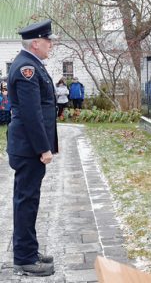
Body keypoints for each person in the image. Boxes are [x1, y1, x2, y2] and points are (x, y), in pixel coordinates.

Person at [6, 19, 58, 277]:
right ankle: (24, 258)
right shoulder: (27, 67)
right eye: (48, 41)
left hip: (27, 147)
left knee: (28, 199)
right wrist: (43, 148)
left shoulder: (32, 64)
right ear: (35, 43)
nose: (51, 44)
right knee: (27, 200)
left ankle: (28, 249)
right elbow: (31, 113)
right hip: (28, 148)